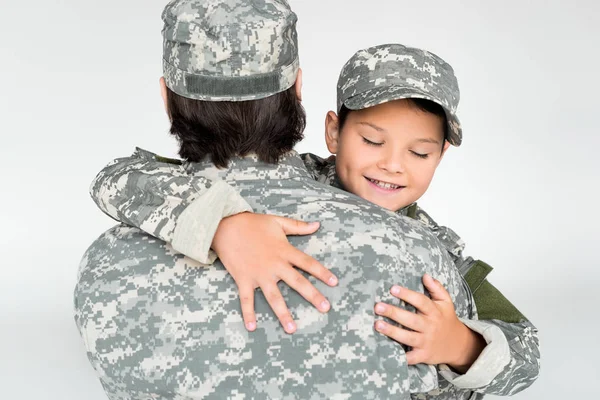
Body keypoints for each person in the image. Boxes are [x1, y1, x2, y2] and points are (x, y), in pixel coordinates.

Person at [74, 1, 480, 398]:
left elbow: (121, 177)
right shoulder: (416, 254)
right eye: (373, 141)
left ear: (166, 97)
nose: (391, 166)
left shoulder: (104, 261)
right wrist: (219, 220)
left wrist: (463, 346)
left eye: (419, 152)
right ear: (300, 91)